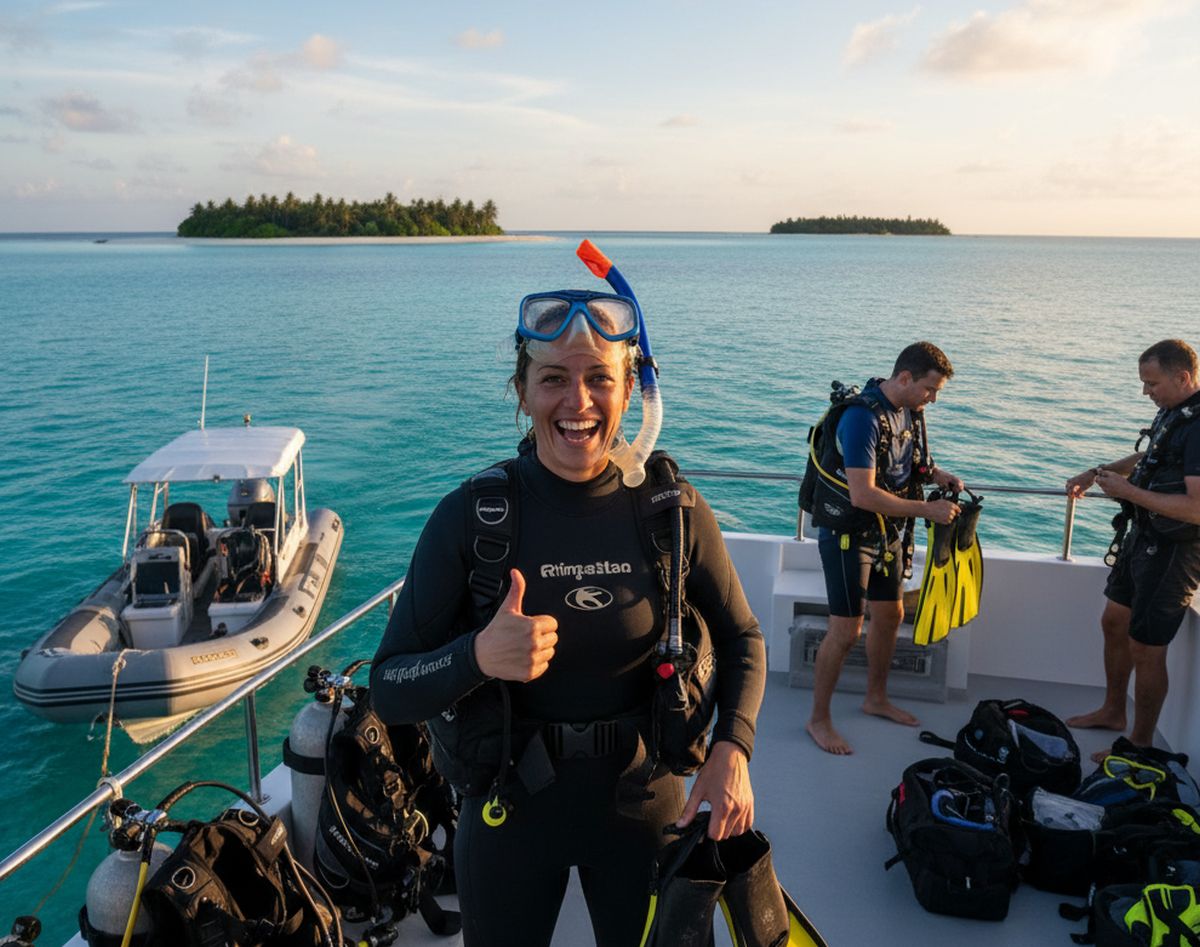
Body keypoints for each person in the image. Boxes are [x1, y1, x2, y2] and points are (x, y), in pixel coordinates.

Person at [370, 276, 766, 947]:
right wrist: (478, 656)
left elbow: (742, 636)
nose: (576, 402)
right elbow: (388, 687)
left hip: (647, 803)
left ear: (629, 387)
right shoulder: (471, 518)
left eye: (598, 379)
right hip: (510, 812)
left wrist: (733, 747)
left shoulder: (671, 512)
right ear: (522, 392)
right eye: (553, 378)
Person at [805, 342, 964, 755]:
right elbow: (862, 494)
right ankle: (818, 719)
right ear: (905, 377)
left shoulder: (909, 412)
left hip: (886, 531)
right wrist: (927, 509)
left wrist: (938, 475)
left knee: (890, 614)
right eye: (931, 389)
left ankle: (875, 698)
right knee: (845, 630)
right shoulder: (862, 418)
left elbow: (906, 462)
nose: (934, 398)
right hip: (849, 535)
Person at [1065, 339, 1200, 755]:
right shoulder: (1174, 412)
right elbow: (1150, 459)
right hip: (1142, 536)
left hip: (1175, 549)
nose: (1146, 393)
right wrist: (1097, 472)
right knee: (1113, 621)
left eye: (1151, 383)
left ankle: (1139, 743)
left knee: (1146, 646)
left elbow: (1197, 508)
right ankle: (1112, 710)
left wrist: (1129, 493)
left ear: (1183, 377)